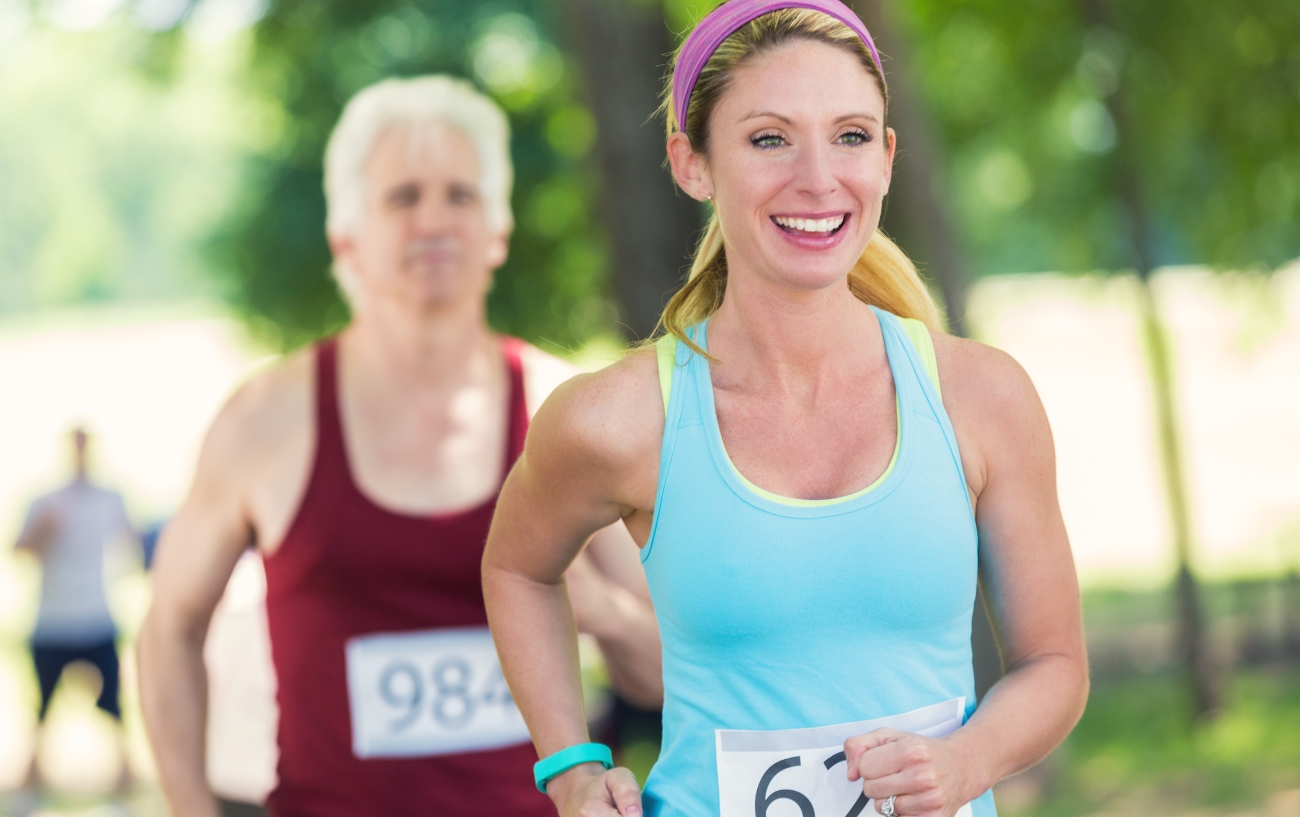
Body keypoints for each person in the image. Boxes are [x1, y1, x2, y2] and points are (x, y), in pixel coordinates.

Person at [481, 2, 1090, 816]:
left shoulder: (981, 397)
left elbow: (1055, 663)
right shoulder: (618, 420)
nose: (818, 177)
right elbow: (517, 566)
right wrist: (571, 767)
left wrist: (966, 760)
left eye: (851, 136)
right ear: (692, 164)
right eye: (769, 138)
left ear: (886, 158)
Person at [138, 75, 662, 817]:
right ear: (345, 233)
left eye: (461, 194)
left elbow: (667, 675)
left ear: (499, 230)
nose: (435, 221)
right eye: (403, 197)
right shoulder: (266, 420)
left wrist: (598, 609)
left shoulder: (568, 413)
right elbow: (168, 627)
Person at [14, 427, 137, 782]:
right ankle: (33, 771)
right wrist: (43, 530)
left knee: (115, 700)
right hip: (53, 620)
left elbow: (133, 543)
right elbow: (21, 550)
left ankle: (124, 771)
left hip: (96, 615)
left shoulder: (110, 498)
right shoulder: (46, 501)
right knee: (41, 705)